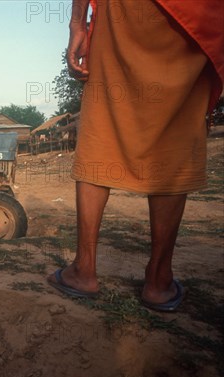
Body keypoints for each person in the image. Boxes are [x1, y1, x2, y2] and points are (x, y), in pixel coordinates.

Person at [47, 0, 223, 312]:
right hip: (196, 13)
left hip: (126, 11)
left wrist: (78, 23)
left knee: (103, 122)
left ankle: (84, 269)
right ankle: (158, 281)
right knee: (176, 130)